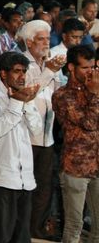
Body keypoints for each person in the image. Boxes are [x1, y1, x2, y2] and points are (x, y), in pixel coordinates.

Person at [0, 51, 43, 243]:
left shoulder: (25, 96)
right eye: (17, 72)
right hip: (0, 181)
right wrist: (16, 102)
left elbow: (37, 130)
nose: (22, 76)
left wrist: (27, 103)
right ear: (3, 74)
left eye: (24, 71)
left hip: (25, 180)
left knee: (21, 238)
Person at [19, 20, 64, 240]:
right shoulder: (21, 63)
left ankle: (37, 227)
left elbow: (56, 92)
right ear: (29, 42)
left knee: (45, 184)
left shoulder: (48, 62)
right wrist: (48, 71)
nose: (46, 43)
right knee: (28, 184)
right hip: (28, 136)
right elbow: (29, 93)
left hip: (48, 135)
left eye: (48, 38)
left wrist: (53, 71)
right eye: (41, 39)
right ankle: (25, 229)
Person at [52, 45, 99, 243]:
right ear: (71, 67)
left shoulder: (94, 90)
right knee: (74, 225)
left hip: (97, 166)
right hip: (75, 168)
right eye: (85, 68)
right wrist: (95, 94)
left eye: (93, 67)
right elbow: (89, 123)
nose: (91, 72)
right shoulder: (63, 95)